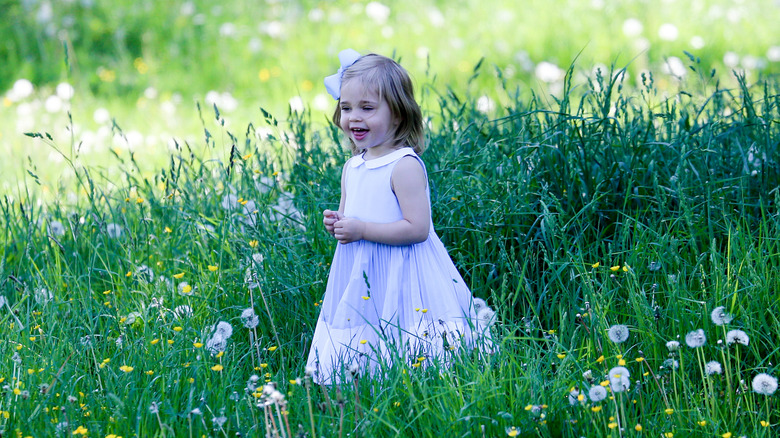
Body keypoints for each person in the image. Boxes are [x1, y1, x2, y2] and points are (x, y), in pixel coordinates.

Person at [307, 49, 493, 384]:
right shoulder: (353, 166)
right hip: (361, 269)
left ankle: (421, 383)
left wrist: (361, 228)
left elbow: (418, 228)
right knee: (365, 330)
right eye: (346, 107)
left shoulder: (403, 165)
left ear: (397, 114)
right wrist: (339, 223)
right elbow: (352, 214)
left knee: (408, 328)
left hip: (404, 269)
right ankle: (364, 384)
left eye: (367, 108)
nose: (353, 117)